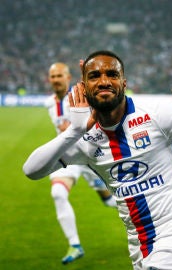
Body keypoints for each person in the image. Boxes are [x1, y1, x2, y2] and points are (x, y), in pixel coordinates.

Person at [23, 51, 172, 270]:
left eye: (112, 74)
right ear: (84, 87)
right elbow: (32, 170)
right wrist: (72, 132)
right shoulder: (85, 139)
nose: (104, 80)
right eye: (95, 75)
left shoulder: (156, 114)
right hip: (138, 244)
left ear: (124, 82)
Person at [45, 62, 117, 264]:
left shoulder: (80, 96)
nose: (56, 80)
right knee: (58, 193)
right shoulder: (49, 103)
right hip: (69, 158)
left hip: (91, 156)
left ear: (68, 78)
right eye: (53, 76)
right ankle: (75, 245)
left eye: (59, 76)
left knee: (112, 200)